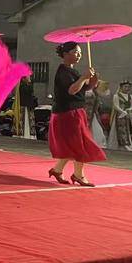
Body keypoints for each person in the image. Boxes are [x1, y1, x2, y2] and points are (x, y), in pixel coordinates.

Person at [47, 42, 106, 187]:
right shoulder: (63, 72)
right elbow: (72, 90)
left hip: (74, 112)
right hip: (68, 113)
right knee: (80, 144)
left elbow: (84, 88)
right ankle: (78, 175)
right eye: (75, 52)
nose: (79, 55)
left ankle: (57, 170)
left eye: (80, 52)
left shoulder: (72, 71)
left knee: (74, 145)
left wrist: (93, 81)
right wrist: (84, 77)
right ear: (65, 54)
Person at [108, 80, 132, 151]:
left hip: (126, 116)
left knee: (126, 130)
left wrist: (128, 110)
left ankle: (126, 144)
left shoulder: (130, 96)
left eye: (128, 87)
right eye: (125, 87)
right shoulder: (116, 96)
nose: (127, 88)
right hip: (119, 116)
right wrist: (122, 111)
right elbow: (116, 106)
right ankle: (116, 145)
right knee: (117, 130)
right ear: (121, 87)